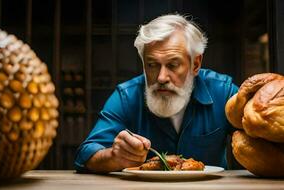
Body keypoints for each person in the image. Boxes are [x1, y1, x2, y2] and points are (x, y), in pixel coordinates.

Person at [74, 14, 238, 173]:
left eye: (173, 65)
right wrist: (113, 157)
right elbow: (85, 155)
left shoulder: (223, 92)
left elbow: (259, 138)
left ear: (195, 64)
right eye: (152, 65)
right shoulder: (126, 96)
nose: (161, 78)